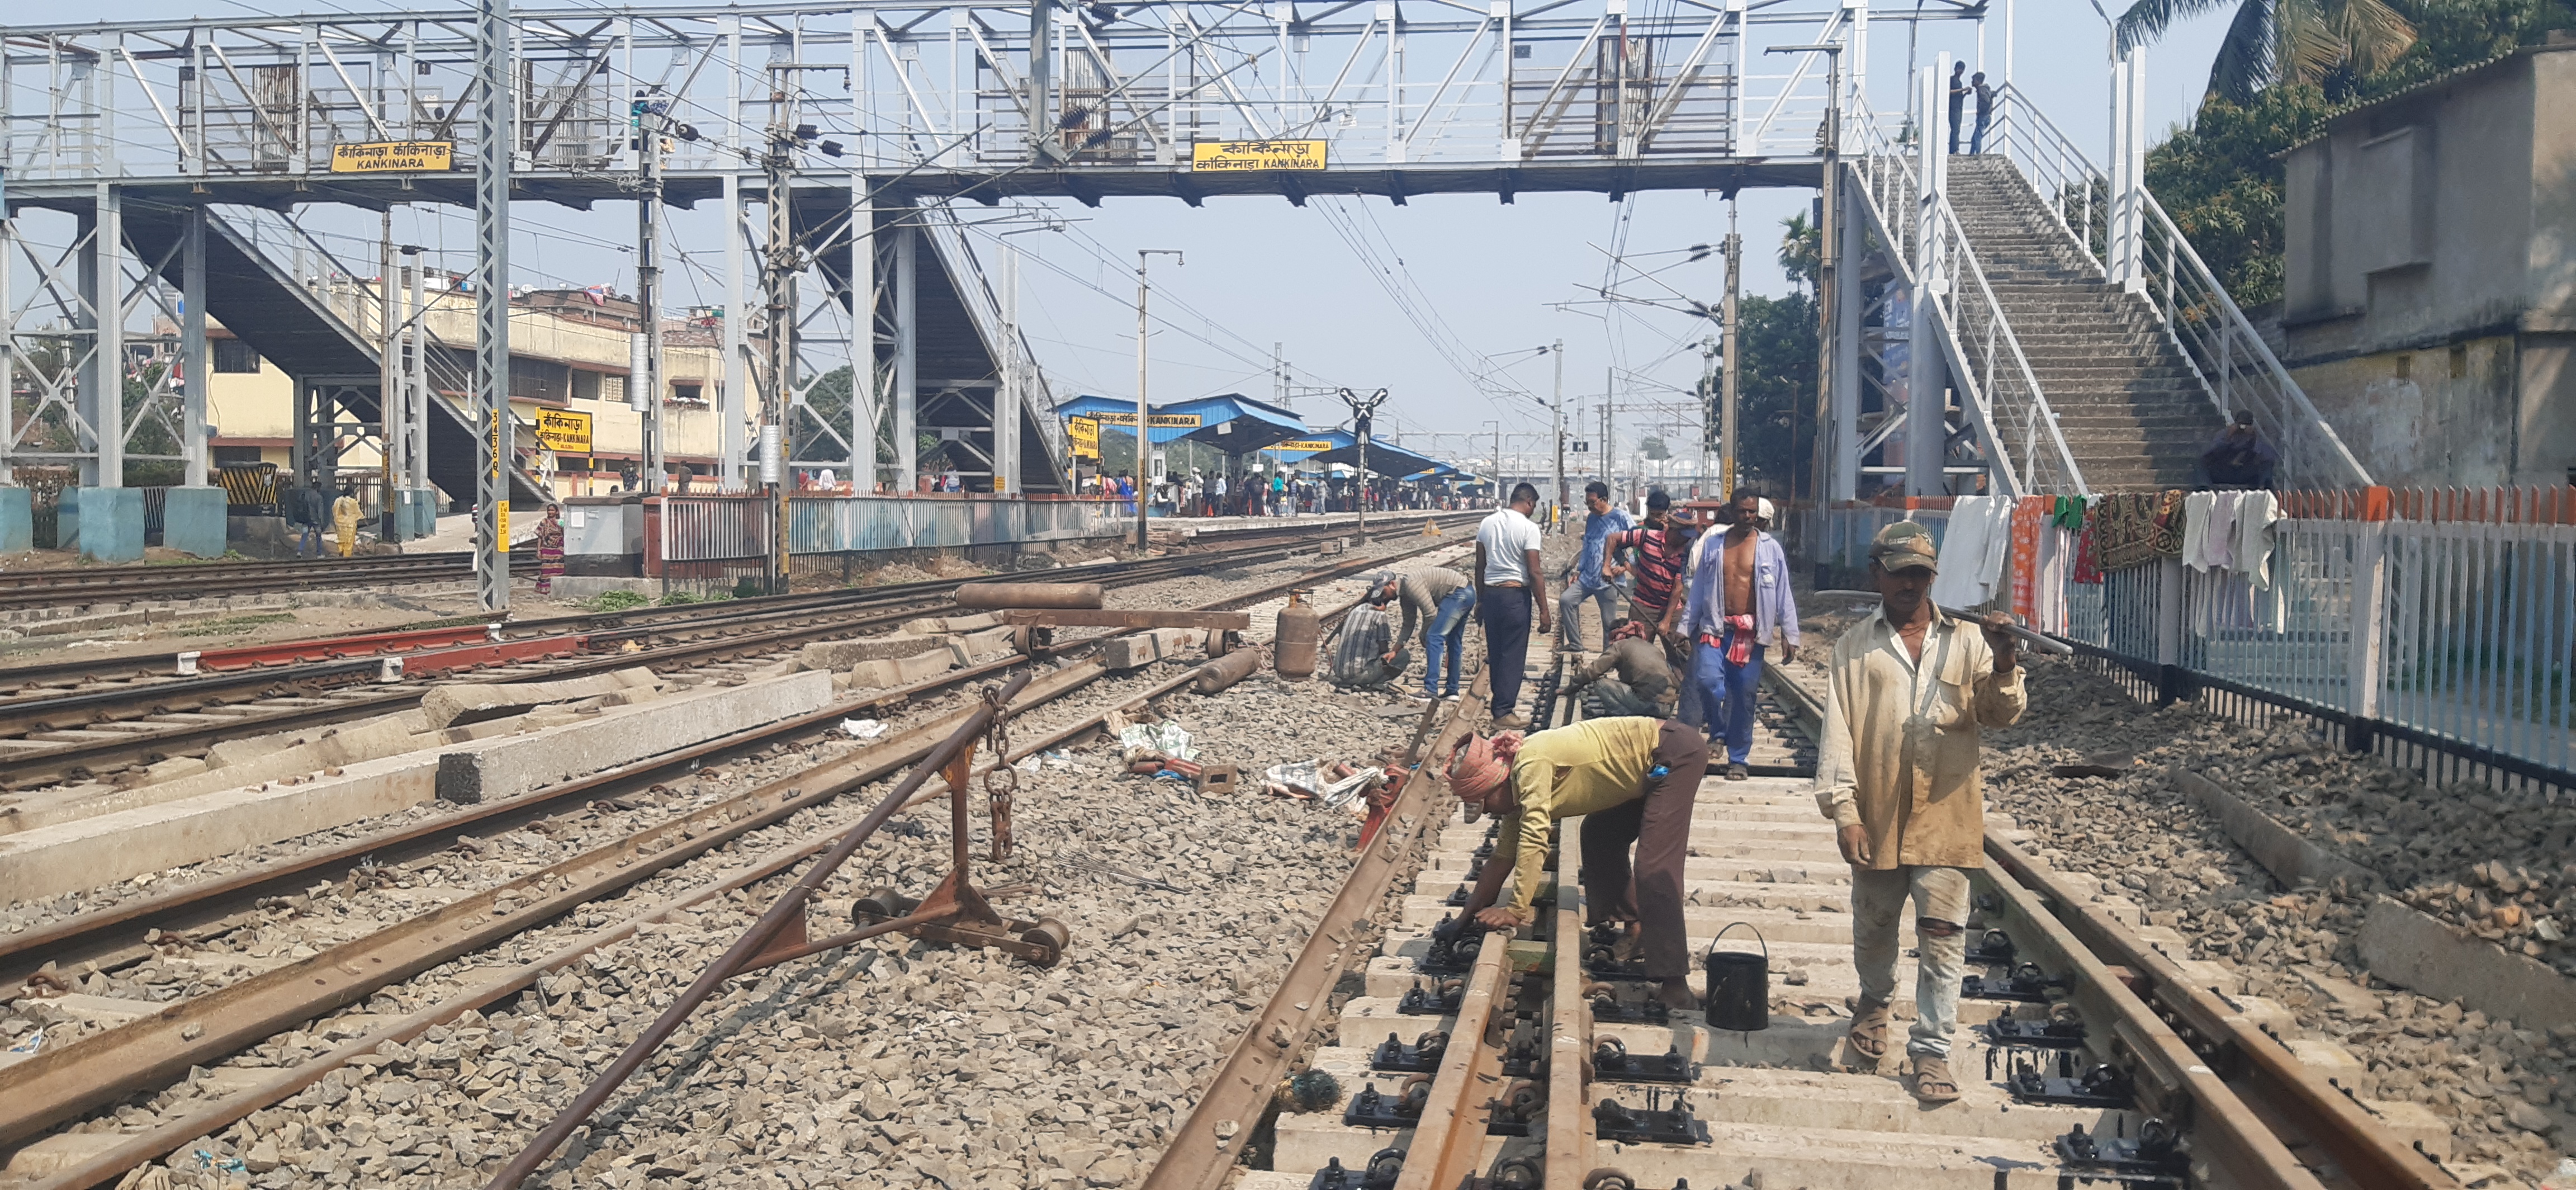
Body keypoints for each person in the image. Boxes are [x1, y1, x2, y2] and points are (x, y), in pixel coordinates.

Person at [1816, 521, 2026, 1104]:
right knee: (1875, 927)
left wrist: (2005, 661)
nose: (1910, 583)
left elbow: (1999, 713)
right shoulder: (1855, 646)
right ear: (1876, 575)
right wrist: (1844, 811)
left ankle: (1932, 1051)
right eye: (1900, 572)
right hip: (1878, 812)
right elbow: (1838, 733)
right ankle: (1875, 1003)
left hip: (1946, 814)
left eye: (1920, 574)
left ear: (1932, 579)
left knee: (1942, 934)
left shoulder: (1968, 639)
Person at [1450, 716, 1707, 1011]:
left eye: (1485, 805)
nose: (1487, 815)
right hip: (1645, 765)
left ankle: (1676, 987)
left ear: (1496, 786)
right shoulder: (1514, 790)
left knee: (1654, 869)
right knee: (1601, 835)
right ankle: (1635, 929)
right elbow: (1503, 857)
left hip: (1672, 753)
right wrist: (1464, 918)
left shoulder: (1531, 765)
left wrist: (1515, 910)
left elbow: (1535, 841)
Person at [1668, 488, 1799, 780]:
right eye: (1743, 511)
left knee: (1743, 695)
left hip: (1749, 634)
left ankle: (1738, 758)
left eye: (1752, 512)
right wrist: (1684, 626)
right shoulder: (1715, 545)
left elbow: (1783, 592)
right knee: (1707, 680)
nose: (1748, 517)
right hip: (1715, 627)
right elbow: (1700, 588)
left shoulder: (1770, 548)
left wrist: (1790, 633)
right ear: (1732, 511)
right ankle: (1718, 732)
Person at [1474, 483, 1552, 730]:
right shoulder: (1529, 528)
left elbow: (1480, 565)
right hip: (1514, 597)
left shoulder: (1487, 523)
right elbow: (1535, 571)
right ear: (1529, 502)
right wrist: (1544, 610)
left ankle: (1500, 706)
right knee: (1513, 655)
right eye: (1534, 505)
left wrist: (1479, 599)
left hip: (1491, 595)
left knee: (1496, 654)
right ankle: (1503, 712)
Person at [1366, 566, 1475, 701]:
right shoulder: (1405, 595)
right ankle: (1452, 691)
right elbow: (1408, 624)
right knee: (1454, 641)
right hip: (1466, 593)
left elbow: (1430, 614)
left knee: (1434, 637)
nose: (1384, 598)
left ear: (1392, 584)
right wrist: (1395, 650)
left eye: (1384, 592)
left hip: (1458, 594)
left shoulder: (1412, 585)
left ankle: (1430, 690)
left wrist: (1423, 635)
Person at [1557, 481, 1633, 653]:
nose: (1590, 507)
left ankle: (1608, 656)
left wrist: (1625, 568)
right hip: (1587, 577)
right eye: (1588, 503)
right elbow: (1588, 545)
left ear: (1604, 499)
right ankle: (1576, 644)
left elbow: (1639, 544)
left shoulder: (1620, 518)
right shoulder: (1591, 518)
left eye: (1592, 502)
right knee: (1567, 600)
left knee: (1609, 622)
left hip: (1609, 579)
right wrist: (1579, 570)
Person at [1570, 621, 1678, 718]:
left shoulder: (1619, 646)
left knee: (1601, 684)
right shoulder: (1652, 647)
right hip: (1668, 707)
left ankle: (1626, 716)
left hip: (1650, 706)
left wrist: (1573, 686)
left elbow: (1594, 671)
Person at [2201, 410, 2279, 489]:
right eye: (2240, 425)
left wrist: (2254, 439)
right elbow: (2212, 451)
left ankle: (2264, 488)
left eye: (2246, 425)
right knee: (2200, 463)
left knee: (2267, 463)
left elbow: (2268, 455)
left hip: (2243, 472)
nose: (2242, 428)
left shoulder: (2254, 437)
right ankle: (2205, 487)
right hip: (2224, 470)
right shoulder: (2224, 434)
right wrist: (2229, 437)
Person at [533, 504, 566, 595]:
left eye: (552, 510)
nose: (550, 512)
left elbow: (564, 535)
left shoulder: (561, 523)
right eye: (549, 510)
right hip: (547, 549)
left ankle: (557, 590)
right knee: (546, 570)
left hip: (558, 550)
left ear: (557, 512)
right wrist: (539, 550)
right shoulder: (544, 522)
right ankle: (545, 590)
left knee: (558, 569)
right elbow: (540, 537)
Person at [330, 485, 363, 558]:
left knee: (341, 539)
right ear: (351, 493)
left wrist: (337, 519)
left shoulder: (338, 500)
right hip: (350, 525)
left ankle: (340, 550)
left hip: (340, 524)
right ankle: (347, 556)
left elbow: (334, 510)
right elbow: (357, 512)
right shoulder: (352, 502)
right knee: (349, 542)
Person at [1969, 71, 1996, 154]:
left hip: (1983, 116)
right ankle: (1972, 154)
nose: (1972, 82)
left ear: (1978, 81)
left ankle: (1977, 154)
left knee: (1977, 136)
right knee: (1975, 138)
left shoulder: (1981, 91)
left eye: (1973, 80)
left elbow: (1987, 101)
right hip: (1986, 116)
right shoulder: (1985, 89)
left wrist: (1981, 111)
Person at [1945, 60, 1968, 154]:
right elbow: (1949, 92)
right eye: (1959, 69)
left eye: (1962, 70)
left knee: (1957, 129)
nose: (1961, 71)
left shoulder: (1959, 82)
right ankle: (1954, 149)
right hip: (1953, 108)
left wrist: (1965, 93)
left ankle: (1954, 149)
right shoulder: (1951, 80)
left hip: (1958, 107)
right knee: (1955, 129)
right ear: (1955, 69)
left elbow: (1959, 96)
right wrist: (1962, 90)